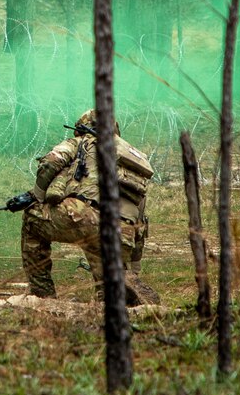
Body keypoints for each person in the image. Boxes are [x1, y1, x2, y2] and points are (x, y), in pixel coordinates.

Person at [20, 110, 159, 305]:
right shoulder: (133, 164)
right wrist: (132, 271)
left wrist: (37, 195)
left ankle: (43, 296)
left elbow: (50, 163)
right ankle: (110, 302)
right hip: (124, 234)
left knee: (31, 219)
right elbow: (141, 223)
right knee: (102, 269)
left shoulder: (81, 142)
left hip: (85, 218)